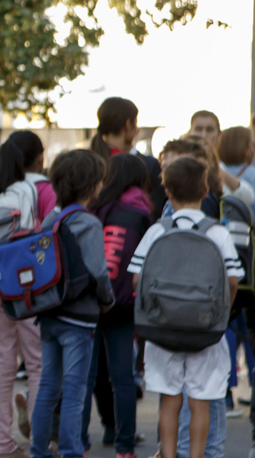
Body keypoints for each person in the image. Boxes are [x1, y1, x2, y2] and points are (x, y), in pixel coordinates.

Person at [128, 156, 243, 458]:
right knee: (200, 402)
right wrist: (222, 314)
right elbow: (232, 281)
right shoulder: (217, 233)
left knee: (170, 399)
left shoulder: (156, 231)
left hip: (162, 328)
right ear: (206, 190)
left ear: (167, 192)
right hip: (206, 331)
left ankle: (168, 455)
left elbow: (138, 278)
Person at [27, 149, 115, 458]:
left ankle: (39, 450)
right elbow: (99, 272)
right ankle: (70, 451)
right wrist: (107, 301)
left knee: (48, 386)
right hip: (79, 319)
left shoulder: (52, 218)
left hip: (50, 314)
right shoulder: (88, 223)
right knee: (75, 391)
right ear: (92, 186)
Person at [0, 130, 50, 458]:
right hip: (25, 289)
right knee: (36, 364)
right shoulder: (29, 190)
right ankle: (38, 442)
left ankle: (2, 445)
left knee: (1, 364)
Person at [83, 153, 151, 458]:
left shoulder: (95, 207)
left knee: (84, 376)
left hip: (91, 300)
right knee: (122, 377)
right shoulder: (142, 210)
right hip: (125, 304)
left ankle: (79, 443)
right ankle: (125, 447)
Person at [90, 97, 166, 219]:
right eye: (135, 121)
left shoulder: (89, 161)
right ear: (128, 124)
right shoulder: (148, 164)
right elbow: (157, 212)